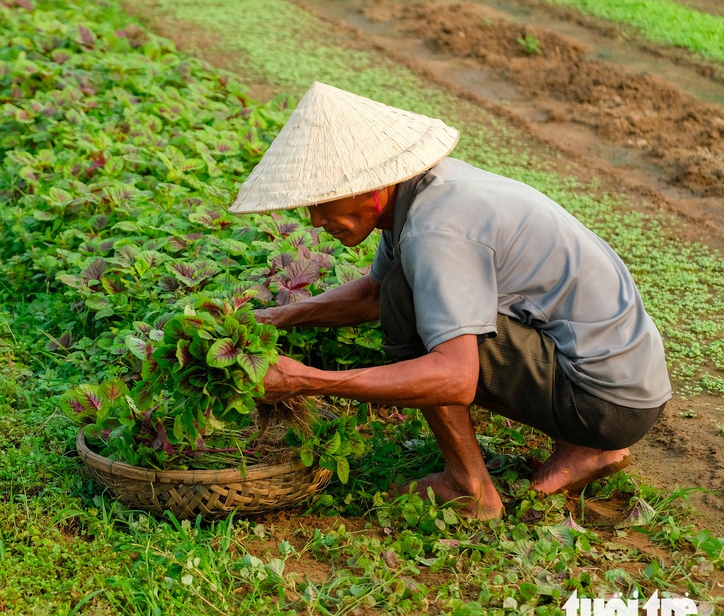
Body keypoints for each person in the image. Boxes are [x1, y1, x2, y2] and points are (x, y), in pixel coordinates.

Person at [229, 82, 671, 520]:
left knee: (413, 307)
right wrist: (272, 318)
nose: (316, 219)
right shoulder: (427, 191)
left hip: (605, 401)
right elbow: (371, 294)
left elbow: (454, 377)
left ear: (371, 184)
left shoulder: (434, 228)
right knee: (401, 291)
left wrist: (307, 380)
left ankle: (470, 486)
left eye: (324, 201)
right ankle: (587, 449)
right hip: (622, 382)